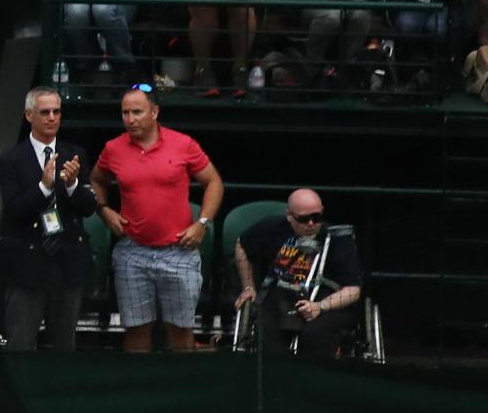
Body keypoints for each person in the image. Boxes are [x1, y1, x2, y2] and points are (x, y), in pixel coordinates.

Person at [93, 85, 223, 354]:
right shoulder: (113, 148)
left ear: (154, 112)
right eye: (125, 113)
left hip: (178, 251)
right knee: (136, 331)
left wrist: (202, 223)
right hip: (133, 251)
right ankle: (139, 392)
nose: (130, 119)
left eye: (137, 112)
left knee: (180, 331)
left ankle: (182, 392)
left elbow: (214, 182)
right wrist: (104, 209)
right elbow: (96, 180)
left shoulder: (183, 143)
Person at [0, 87, 99, 352]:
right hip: (28, 261)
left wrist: (74, 184)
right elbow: (14, 210)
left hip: (67, 260)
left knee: (64, 345)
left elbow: (88, 208)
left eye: (56, 111)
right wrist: (43, 187)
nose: (52, 117)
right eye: (44, 112)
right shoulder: (11, 159)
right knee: (21, 344)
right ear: (29, 115)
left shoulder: (74, 154)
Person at [233, 189, 367, 360]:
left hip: (328, 302)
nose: (311, 223)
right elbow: (241, 245)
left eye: (316, 217)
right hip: (281, 298)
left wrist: (320, 306)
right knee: (268, 334)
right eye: (303, 219)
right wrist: (248, 286)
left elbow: (353, 290)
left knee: (315, 335)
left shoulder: (338, 238)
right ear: (289, 215)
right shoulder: (273, 228)